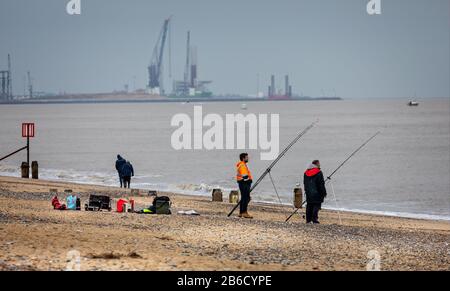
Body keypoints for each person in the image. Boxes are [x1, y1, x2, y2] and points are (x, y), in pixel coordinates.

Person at [303, 160, 327, 224]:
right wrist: (324, 192)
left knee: (309, 205)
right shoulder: (319, 172)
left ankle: (308, 220)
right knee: (317, 205)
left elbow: (305, 183)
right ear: (316, 164)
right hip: (317, 193)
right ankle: (314, 219)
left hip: (308, 192)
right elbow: (321, 184)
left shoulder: (306, 173)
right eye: (319, 164)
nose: (320, 165)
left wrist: (306, 190)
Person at [236, 153, 253, 219]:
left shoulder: (241, 164)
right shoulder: (242, 165)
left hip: (241, 182)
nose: (248, 158)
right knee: (246, 198)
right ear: (243, 158)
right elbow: (245, 176)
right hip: (244, 183)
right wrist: (249, 180)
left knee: (244, 198)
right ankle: (244, 212)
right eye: (246, 157)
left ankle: (241, 212)